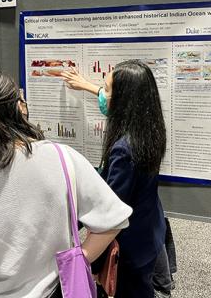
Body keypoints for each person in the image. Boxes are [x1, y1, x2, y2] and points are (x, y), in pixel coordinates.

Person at [0, 69, 132, 298]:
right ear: (18, 107)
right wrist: (78, 259)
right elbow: (114, 218)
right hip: (52, 290)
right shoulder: (59, 156)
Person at [62, 60, 167, 298]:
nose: (103, 95)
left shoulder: (124, 149)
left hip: (130, 244)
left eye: (107, 90)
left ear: (125, 100)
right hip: (148, 228)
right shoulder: (150, 130)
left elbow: (110, 208)